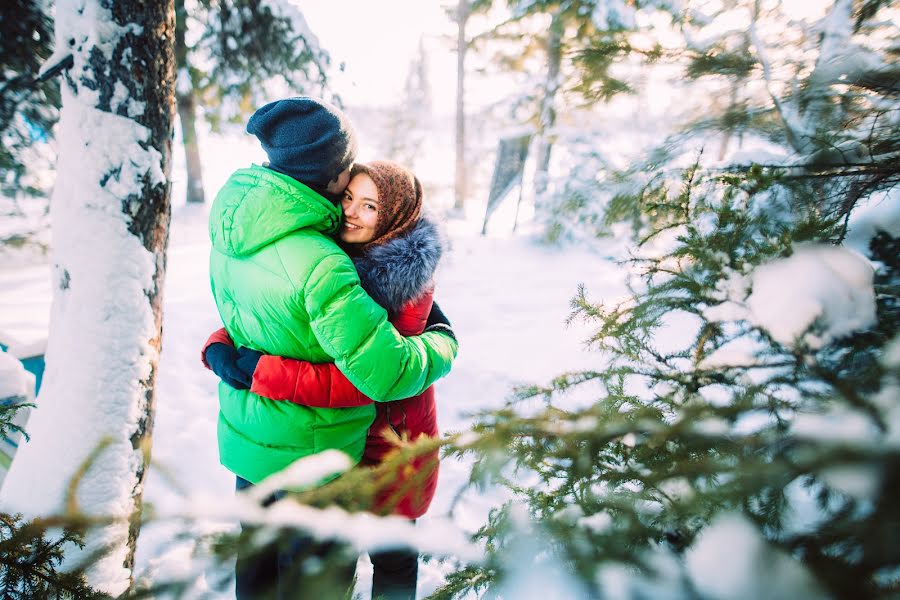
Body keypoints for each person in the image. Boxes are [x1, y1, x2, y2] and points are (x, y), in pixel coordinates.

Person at [204, 97, 458, 599]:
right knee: (305, 583)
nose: (352, 210)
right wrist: (444, 344)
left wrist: (229, 354)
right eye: (349, 189)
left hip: (291, 443)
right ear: (331, 174)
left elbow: (263, 315)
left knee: (278, 569)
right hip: (315, 452)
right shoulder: (324, 258)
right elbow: (379, 372)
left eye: (371, 206)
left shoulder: (237, 229)